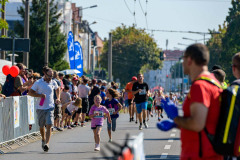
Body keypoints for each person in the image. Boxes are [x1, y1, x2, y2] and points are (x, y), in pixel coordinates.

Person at [170, 44, 223, 159]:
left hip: (200, 155)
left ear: (189, 60)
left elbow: (197, 124)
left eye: (183, 58)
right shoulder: (213, 82)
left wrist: (176, 118)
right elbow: (207, 122)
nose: (182, 62)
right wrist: (178, 124)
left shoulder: (200, 86)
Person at [28, 66, 61, 152]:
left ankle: (47, 143)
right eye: (49, 76)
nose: (50, 78)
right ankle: (43, 138)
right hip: (40, 107)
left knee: (49, 125)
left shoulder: (53, 82)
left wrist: (58, 98)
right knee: (42, 126)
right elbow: (30, 93)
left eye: (52, 76)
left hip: (50, 107)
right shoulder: (38, 82)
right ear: (45, 74)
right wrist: (40, 95)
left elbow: (58, 89)